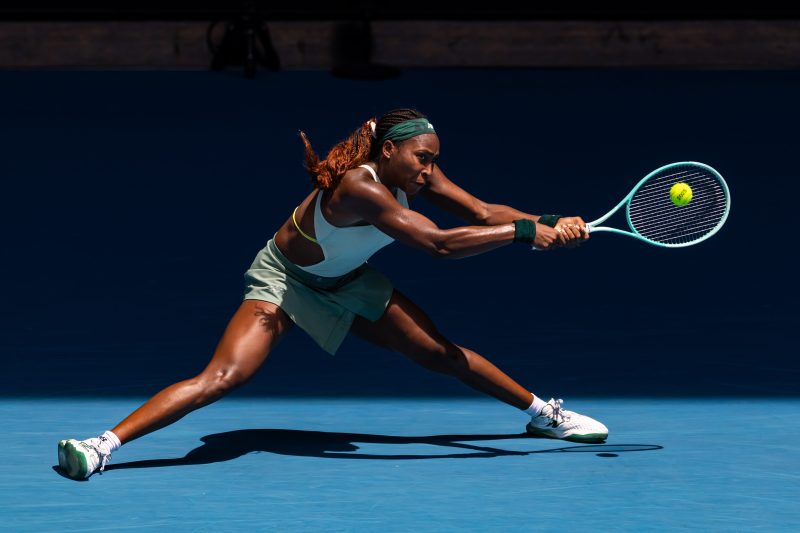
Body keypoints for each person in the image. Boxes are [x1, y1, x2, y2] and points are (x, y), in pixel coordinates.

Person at [57, 108, 607, 480]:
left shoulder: (416, 174)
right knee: (223, 376)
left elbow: (483, 212)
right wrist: (524, 233)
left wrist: (550, 221)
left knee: (439, 353)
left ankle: (543, 414)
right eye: (422, 157)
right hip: (284, 280)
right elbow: (438, 245)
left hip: (346, 280)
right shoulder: (359, 186)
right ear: (389, 151)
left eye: (434, 159)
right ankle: (100, 447)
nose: (430, 169)